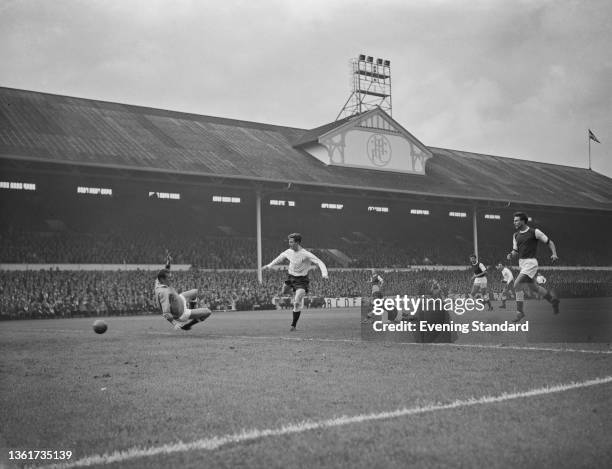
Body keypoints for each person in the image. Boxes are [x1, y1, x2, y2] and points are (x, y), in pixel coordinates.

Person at [262, 233, 328, 330]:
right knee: (283, 291)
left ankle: (293, 325)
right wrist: (269, 266)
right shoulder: (289, 251)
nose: (289, 244)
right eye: (289, 242)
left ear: (297, 242)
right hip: (291, 277)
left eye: (291, 242)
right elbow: (280, 257)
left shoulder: (306, 254)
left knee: (296, 303)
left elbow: (319, 262)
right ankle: (294, 292)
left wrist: (324, 274)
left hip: (301, 280)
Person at [507, 212, 560, 322]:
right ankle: (553, 300)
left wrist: (554, 253)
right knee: (534, 287)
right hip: (522, 264)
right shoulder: (515, 235)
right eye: (514, 220)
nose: (514, 222)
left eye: (516, 220)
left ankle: (520, 312)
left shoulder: (534, 232)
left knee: (517, 285)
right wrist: (511, 254)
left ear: (523, 221)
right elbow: (515, 251)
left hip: (531, 263)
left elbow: (550, 242)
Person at [154, 252, 212, 330]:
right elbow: (166, 313)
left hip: (180, 299)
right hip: (181, 313)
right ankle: (189, 324)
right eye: (169, 278)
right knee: (208, 312)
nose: (171, 279)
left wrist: (168, 262)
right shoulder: (164, 292)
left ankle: (192, 308)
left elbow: (166, 270)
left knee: (195, 291)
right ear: (162, 279)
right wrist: (174, 323)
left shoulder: (158, 281)